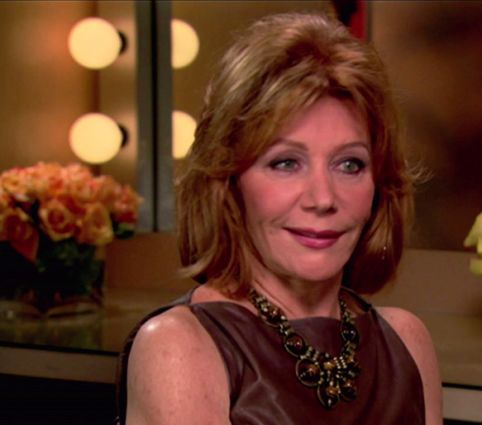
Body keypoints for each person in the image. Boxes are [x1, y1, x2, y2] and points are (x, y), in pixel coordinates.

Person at [116, 11, 442, 425]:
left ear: (379, 185)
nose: (323, 198)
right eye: (286, 163)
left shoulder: (406, 342)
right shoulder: (179, 346)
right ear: (229, 182)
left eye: (350, 164)